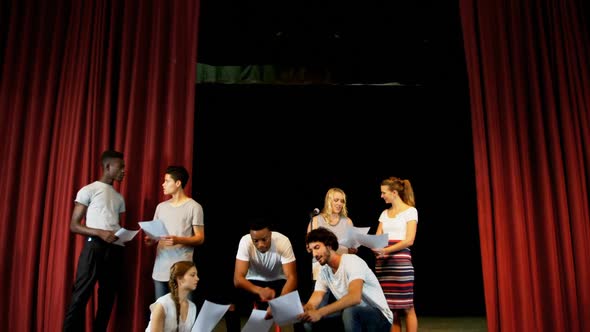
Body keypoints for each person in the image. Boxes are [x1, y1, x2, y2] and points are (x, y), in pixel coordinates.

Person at [63, 149, 126, 332]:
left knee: (107, 300)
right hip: (94, 247)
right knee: (80, 297)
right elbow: (74, 225)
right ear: (108, 166)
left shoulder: (119, 198)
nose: (124, 170)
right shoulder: (88, 190)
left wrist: (122, 235)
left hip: (114, 250)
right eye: (120, 167)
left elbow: (117, 226)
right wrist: (99, 232)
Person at [298, 227, 393, 332]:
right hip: (353, 317)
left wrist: (320, 312)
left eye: (317, 247)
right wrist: (307, 309)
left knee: (350, 312)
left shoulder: (351, 261)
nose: (314, 254)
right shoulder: (324, 271)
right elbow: (315, 298)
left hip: (379, 318)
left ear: (329, 245)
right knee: (308, 321)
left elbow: (354, 298)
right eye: (311, 251)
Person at [144, 165, 205, 302]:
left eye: (167, 181)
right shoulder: (161, 207)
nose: (163, 184)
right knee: (161, 312)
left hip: (183, 270)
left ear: (178, 183)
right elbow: (156, 234)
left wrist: (178, 240)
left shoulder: (194, 207)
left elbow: (200, 238)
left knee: (185, 314)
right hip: (161, 268)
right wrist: (151, 239)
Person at [225, 218, 298, 331]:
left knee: (299, 305)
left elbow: (292, 277)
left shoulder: (283, 241)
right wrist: (259, 290)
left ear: (270, 234)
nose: (261, 245)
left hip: (278, 281)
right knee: (230, 304)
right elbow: (238, 279)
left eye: (264, 239)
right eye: (256, 241)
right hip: (253, 282)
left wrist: (279, 303)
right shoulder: (245, 241)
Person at [372, 177, 419, 332]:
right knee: (391, 309)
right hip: (384, 265)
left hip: (401, 264)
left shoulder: (410, 211)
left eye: (383, 192)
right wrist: (374, 246)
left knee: (407, 307)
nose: (381, 196)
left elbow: (409, 240)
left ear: (394, 193)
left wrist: (386, 250)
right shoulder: (384, 213)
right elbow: (378, 238)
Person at [306, 188, 358, 309]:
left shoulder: (347, 221)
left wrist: (353, 249)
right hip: (321, 269)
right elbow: (309, 248)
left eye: (342, 201)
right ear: (329, 201)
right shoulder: (316, 220)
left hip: (341, 268)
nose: (339, 203)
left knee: (344, 307)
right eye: (336, 200)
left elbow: (352, 249)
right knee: (320, 306)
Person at [145, 261, 199, 332]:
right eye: (192, 275)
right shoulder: (162, 304)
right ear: (180, 279)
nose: (197, 278)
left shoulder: (192, 307)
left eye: (197, 275)